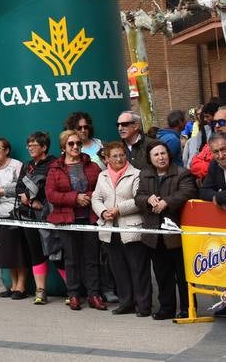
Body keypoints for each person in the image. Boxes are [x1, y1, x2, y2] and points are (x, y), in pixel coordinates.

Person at [136, 142, 196, 321]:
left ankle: (187, 307)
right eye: (156, 155)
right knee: (162, 274)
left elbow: (188, 191)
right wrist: (148, 199)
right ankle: (166, 308)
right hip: (154, 233)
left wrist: (167, 201)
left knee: (182, 274)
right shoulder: (145, 174)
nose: (161, 157)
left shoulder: (181, 173)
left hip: (176, 233)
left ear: (168, 155)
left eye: (163, 153)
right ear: (150, 158)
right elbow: (138, 197)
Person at [46, 128, 103, 310]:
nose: (76, 146)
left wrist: (88, 196)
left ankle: (94, 295)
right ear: (64, 146)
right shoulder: (55, 168)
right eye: (71, 143)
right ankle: (74, 295)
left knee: (92, 259)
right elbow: (51, 194)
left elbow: (102, 189)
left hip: (90, 218)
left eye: (78, 143)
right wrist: (74, 198)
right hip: (67, 220)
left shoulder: (92, 165)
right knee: (71, 259)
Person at [92, 141, 150, 317]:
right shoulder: (102, 176)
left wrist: (119, 209)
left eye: (122, 155)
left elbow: (139, 200)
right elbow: (96, 198)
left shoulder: (137, 174)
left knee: (138, 268)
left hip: (131, 228)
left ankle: (144, 305)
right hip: (110, 229)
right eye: (114, 156)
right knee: (119, 269)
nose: (119, 158)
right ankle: (126, 302)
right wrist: (103, 212)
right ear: (107, 158)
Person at [12, 131, 53, 301]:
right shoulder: (27, 165)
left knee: (56, 253)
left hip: (47, 216)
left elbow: (50, 187)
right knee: (36, 252)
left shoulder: (53, 164)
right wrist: (29, 201)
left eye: (34, 145)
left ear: (44, 147)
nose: (30, 148)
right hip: (29, 215)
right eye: (28, 145)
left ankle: (72, 292)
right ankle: (40, 291)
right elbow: (18, 187)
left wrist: (38, 201)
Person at [0, 138, 26, 298]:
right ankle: (13, 285)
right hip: (0, 216)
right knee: (7, 253)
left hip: (16, 214)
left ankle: (21, 286)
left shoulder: (16, 165)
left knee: (18, 251)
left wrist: (2, 191)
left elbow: (22, 188)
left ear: (6, 150)